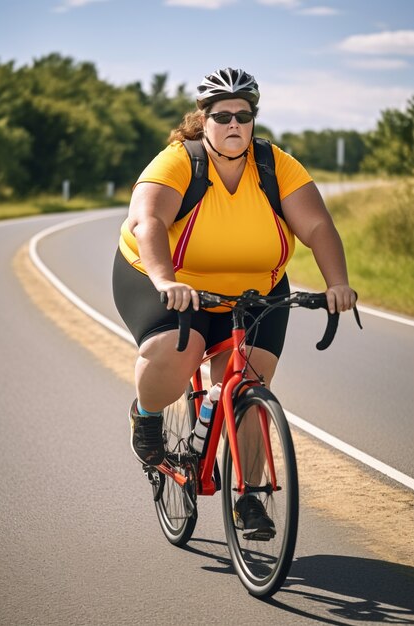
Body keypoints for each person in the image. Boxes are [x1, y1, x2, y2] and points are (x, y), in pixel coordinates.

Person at [113, 67, 356, 539]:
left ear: (253, 120)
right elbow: (148, 223)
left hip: (255, 288)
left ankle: (249, 497)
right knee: (178, 351)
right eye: (221, 115)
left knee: (245, 382)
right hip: (166, 278)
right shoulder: (177, 163)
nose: (233, 125)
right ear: (202, 119)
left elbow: (318, 227)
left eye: (243, 116)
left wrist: (337, 283)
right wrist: (165, 279)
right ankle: (146, 416)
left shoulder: (275, 165)